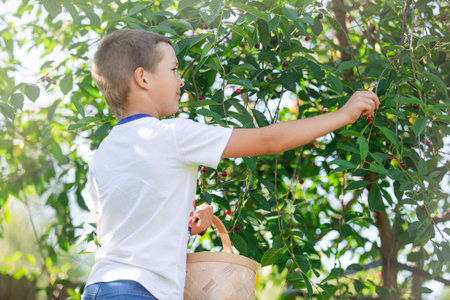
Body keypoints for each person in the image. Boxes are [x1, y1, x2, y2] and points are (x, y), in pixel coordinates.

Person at [81, 29, 379, 300]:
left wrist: (183, 229)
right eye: (173, 69)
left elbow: (123, 228)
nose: (181, 80)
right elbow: (267, 141)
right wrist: (344, 115)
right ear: (143, 78)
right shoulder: (173, 134)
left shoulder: (103, 152)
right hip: (141, 292)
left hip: (98, 287)